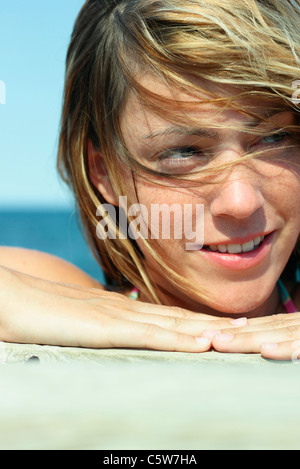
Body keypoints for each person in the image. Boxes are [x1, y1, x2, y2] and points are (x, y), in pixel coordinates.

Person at [1, 0, 300, 361]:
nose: (240, 202)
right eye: (183, 152)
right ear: (105, 172)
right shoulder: (66, 296)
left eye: (274, 137)